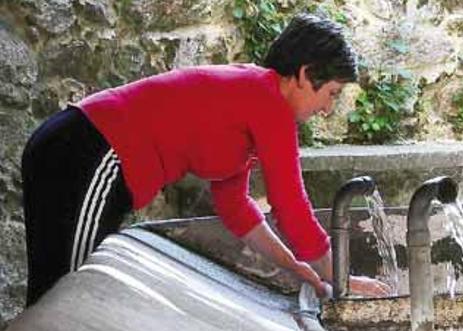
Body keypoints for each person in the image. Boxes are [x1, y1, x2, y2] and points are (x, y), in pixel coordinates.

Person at [20, 14, 390, 306]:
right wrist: (340, 279)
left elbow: (235, 208)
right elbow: (291, 206)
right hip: (88, 151)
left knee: (60, 290)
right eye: (331, 93)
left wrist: (296, 266)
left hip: (82, 153)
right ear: (305, 74)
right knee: (65, 293)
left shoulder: (253, 99)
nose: (327, 108)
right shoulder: (269, 103)